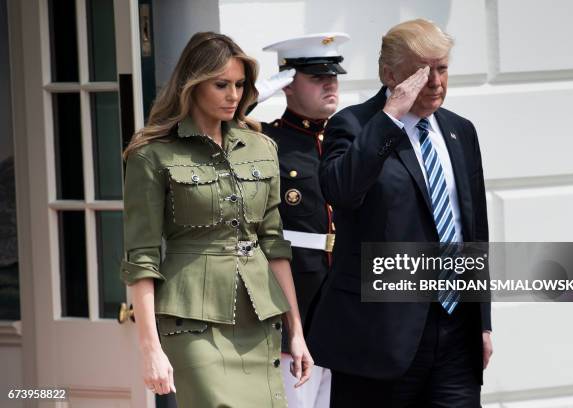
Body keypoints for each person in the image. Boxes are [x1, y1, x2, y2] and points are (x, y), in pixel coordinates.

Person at [120, 32, 313, 408]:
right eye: (221, 85)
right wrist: (150, 349)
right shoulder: (151, 154)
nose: (234, 95)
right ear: (191, 85)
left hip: (259, 318)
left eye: (240, 85)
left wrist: (297, 332)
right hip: (192, 323)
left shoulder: (262, 147)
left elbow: (273, 244)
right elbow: (140, 258)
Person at [307, 19, 493, 407]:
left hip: (456, 332)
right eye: (421, 72)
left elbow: (473, 231)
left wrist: (483, 323)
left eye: (442, 68)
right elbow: (340, 190)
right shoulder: (355, 126)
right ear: (389, 74)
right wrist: (389, 118)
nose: (436, 82)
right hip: (379, 338)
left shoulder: (461, 131)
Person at [256, 33, 349, 408]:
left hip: (346, 297)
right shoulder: (267, 141)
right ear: (288, 85)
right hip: (298, 299)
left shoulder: (351, 137)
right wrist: (263, 90)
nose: (330, 83)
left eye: (334, 75)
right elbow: (210, 122)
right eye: (316, 77)